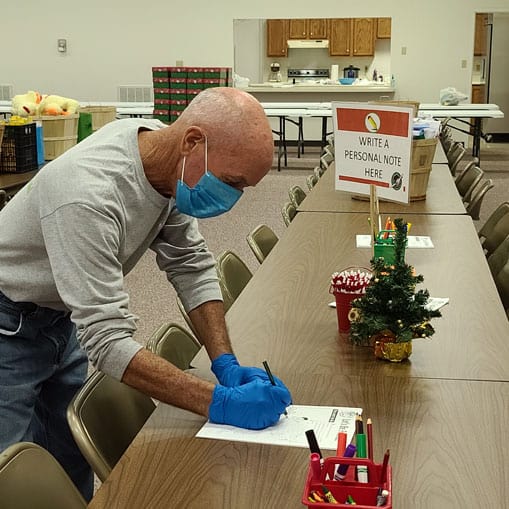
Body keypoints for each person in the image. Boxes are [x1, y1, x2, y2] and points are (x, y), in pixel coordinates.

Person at [0, 87, 291, 500]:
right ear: (192, 142)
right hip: (7, 323)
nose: (234, 199)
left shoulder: (164, 160)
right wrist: (218, 401)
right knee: (11, 474)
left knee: (68, 460)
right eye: (232, 182)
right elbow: (108, 342)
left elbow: (190, 263)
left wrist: (224, 361)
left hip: (60, 313)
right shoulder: (86, 195)